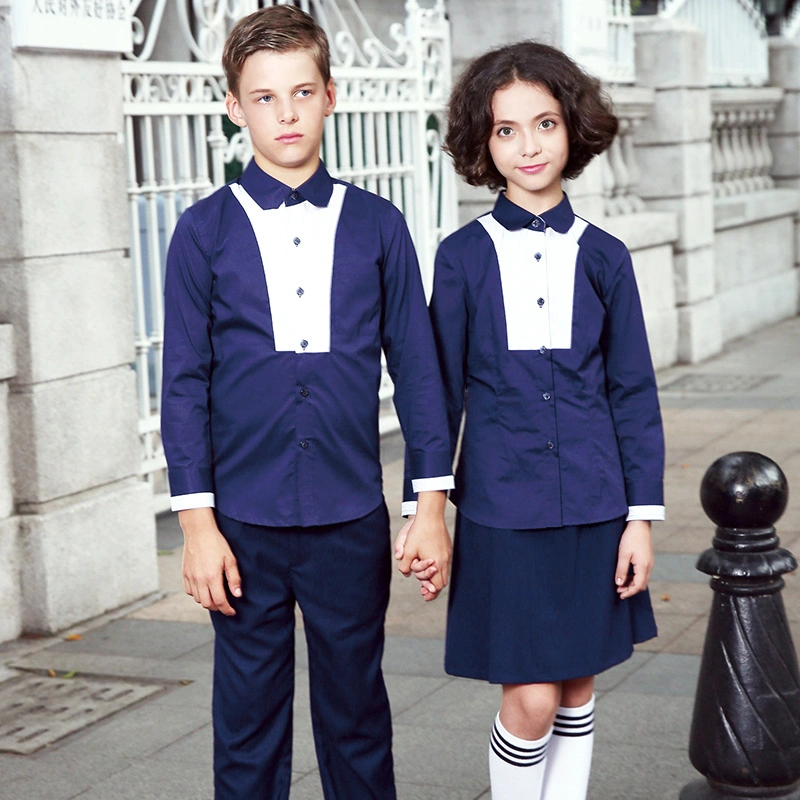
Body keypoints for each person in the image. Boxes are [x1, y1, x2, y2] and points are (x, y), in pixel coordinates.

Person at [160, 6, 454, 799]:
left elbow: (420, 373)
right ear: (233, 107)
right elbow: (183, 382)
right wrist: (196, 527)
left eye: (300, 92)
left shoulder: (379, 226)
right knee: (248, 724)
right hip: (241, 525)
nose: (284, 113)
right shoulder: (202, 232)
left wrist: (428, 507)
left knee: (356, 715)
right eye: (263, 97)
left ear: (331, 95)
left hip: (350, 517)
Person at [398, 41, 665, 800]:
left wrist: (640, 519)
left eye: (543, 123)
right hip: (503, 513)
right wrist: (428, 513)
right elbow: (435, 394)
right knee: (532, 699)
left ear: (571, 127)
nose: (528, 145)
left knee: (577, 689)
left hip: (594, 504)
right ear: (483, 144)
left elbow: (633, 393)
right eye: (506, 130)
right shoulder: (461, 258)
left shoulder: (606, 257)